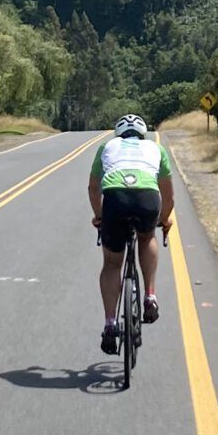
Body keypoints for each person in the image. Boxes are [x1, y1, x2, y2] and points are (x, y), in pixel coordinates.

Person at [89, 114, 175, 354]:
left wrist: (99, 215)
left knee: (112, 263)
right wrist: (165, 219)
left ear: (118, 133)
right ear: (143, 133)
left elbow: (93, 187)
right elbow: (168, 196)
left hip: (115, 199)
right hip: (147, 197)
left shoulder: (106, 147)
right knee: (147, 237)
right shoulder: (156, 148)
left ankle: (110, 324)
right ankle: (149, 296)